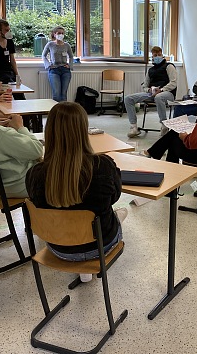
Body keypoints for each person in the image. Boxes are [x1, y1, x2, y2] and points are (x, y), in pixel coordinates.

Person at [25, 102, 126, 283]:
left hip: (59, 248)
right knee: (111, 213)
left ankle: (82, 267)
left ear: (49, 131)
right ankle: (86, 264)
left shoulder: (35, 174)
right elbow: (114, 197)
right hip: (100, 247)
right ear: (83, 130)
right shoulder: (103, 165)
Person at [124, 46, 177, 138]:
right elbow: (144, 86)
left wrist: (161, 90)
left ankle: (164, 125)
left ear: (162, 55)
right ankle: (134, 127)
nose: (157, 57)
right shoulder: (150, 70)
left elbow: (173, 83)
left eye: (159, 54)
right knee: (128, 98)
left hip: (167, 93)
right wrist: (149, 89)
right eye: (155, 55)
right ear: (152, 57)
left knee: (159, 97)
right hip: (152, 93)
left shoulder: (169, 66)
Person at [42, 26, 74, 102]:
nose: (61, 35)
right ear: (54, 34)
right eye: (59, 33)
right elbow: (43, 56)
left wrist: (70, 65)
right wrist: (48, 65)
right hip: (54, 71)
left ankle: (64, 109)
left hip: (65, 71)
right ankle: (56, 109)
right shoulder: (50, 44)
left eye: (62, 33)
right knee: (56, 93)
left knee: (63, 94)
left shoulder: (67, 45)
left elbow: (71, 56)